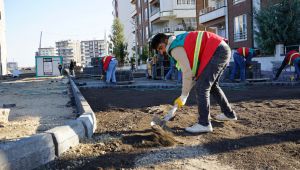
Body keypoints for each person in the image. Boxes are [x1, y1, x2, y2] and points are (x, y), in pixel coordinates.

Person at [151, 31, 237, 133]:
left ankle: (204, 123)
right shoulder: (179, 41)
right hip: (222, 48)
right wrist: (185, 96)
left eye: (161, 48)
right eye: (159, 50)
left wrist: (183, 95)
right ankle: (229, 114)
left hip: (216, 50)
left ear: (165, 40)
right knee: (212, 86)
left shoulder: (174, 48)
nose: (161, 52)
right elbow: (191, 74)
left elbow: (187, 72)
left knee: (201, 87)